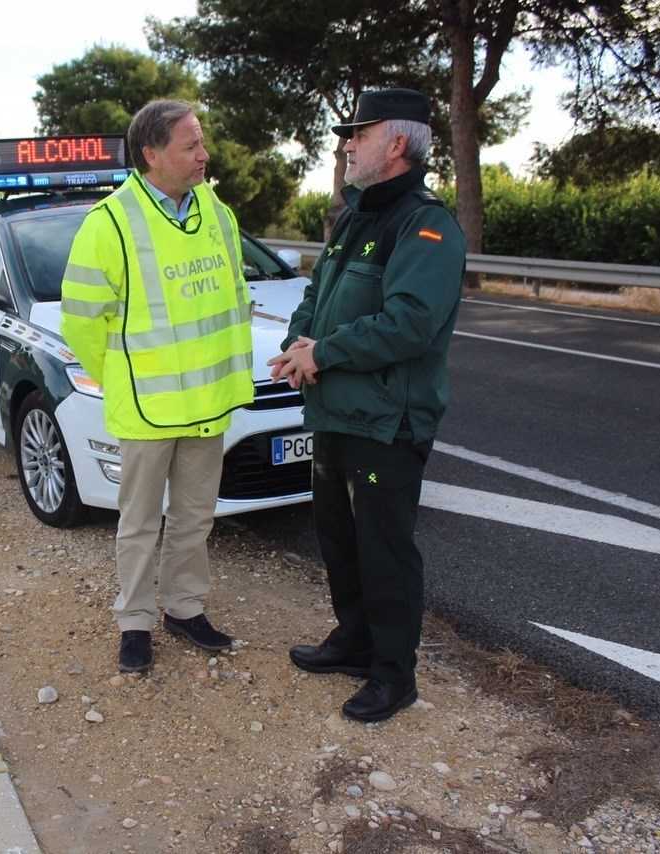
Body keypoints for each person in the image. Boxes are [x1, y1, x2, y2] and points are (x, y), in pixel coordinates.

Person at [268, 88, 466, 723]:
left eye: (360, 132)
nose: (347, 143)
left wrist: (322, 352)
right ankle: (353, 642)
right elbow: (316, 295)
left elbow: (410, 323)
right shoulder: (355, 215)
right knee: (338, 537)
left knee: (384, 549)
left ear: (398, 143)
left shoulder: (426, 223)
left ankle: (393, 674)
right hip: (336, 411)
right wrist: (297, 344)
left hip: (387, 421)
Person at [60, 100, 254, 674]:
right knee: (140, 523)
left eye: (202, 142)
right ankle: (136, 622)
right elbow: (80, 320)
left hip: (208, 403)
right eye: (191, 145)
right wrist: (123, 374)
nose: (204, 154)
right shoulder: (110, 222)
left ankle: (185, 609)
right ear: (152, 154)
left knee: (195, 516)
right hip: (146, 407)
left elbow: (232, 299)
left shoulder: (217, 211)